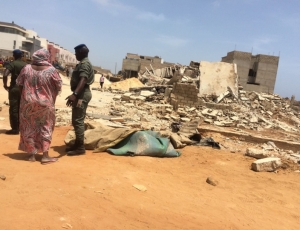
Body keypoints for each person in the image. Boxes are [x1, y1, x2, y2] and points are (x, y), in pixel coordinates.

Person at [16, 49, 62, 164]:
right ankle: (45, 156)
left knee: (29, 127)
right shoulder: (52, 70)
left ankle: (31, 154)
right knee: (46, 126)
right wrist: (52, 100)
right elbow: (58, 86)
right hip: (45, 103)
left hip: (28, 103)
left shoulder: (26, 68)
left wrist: (26, 98)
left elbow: (20, 84)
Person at [65, 44, 94, 156]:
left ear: (82, 52)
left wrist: (75, 94)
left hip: (82, 94)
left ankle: (80, 147)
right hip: (80, 93)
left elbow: (83, 79)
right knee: (76, 119)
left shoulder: (84, 64)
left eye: (77, 53)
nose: (75, 55)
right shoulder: (82, 63)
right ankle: (77, 144)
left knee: (78, 120)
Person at [2, 49, 26, 134]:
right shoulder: (26, 65)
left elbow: (5, 75)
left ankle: (15, 129)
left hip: (14, 88)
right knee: (22, 108)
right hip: (24, 89)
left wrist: (5, 85)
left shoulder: (12, 64)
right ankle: (22, 127)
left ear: (14, 55)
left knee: (14, 108)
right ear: (22, 56)